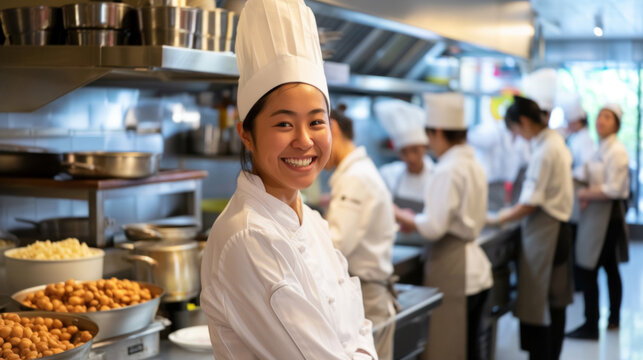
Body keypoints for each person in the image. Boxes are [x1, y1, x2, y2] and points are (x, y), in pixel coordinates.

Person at [200, 0, 377, 358]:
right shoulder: (248, 237)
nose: (305, 140)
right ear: (246, 134)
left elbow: (360, 328)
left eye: (316, 121)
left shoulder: (311, 221)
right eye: (283, 123)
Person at [394, 92, 493, 360]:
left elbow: (434, 227)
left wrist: (402, 216)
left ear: (437, 132)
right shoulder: (473, 163)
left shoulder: (447, 169)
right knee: (471, 347)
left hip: (455, 270)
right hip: (476, 271)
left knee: (450, 348)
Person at [488, 96, 574, 360]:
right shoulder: (554, 141)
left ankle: (542, 355)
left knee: (538, 301)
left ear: (523, 122)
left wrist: (497, 218)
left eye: (515, 130)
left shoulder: (544, 150)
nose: (517, 136)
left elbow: (529, 203)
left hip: (545, 232)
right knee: (554, 302)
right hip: (558, 229)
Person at [325, 106, 398, 360]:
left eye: (316, 129)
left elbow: (337, 244)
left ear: (332, 128)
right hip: (364, 297)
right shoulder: (356, 172)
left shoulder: (355, 177)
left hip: (367, 300)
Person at [566, 103, 630, 340]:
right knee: (605, 268)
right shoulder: (599, 148)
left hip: (608, 217)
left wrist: (585, 194)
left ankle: (595, 323)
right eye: (600, 116)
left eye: (607, 117)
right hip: (595, 214)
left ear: (617, 124)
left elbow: (615, 189)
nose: (601, 121)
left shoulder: (618, 151)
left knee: (591, 268)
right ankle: (605, 320)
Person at [375, 99, 434, 212]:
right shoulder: (389, 174)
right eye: (404, 152)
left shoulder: (437, 176)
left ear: (425, 148)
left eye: (415, 150)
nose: (410, 157)